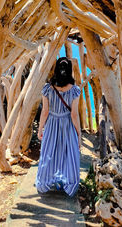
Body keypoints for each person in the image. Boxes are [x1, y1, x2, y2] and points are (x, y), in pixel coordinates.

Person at [36, 57, 81, 197]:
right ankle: (68, 183)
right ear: (69, 71)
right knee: (69, 153)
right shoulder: (75, 90)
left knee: (49, 152)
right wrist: (79, 134)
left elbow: (45, 111)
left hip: (52, 123)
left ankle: (45, 182)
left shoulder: (47, 88)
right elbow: (74, 114)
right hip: (67, 124)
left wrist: (40, 128)